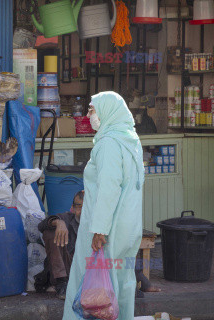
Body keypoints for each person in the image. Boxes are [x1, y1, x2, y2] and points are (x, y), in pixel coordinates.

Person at [62, 91, 145, 320]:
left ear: (108, 112)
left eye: (92, 110)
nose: (88, 115)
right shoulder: (130, 140)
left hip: (108, 227)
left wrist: (100, 229)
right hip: (128, 227)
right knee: (121, 280)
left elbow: (109, 188)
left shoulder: (108, 143)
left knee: (92, 282)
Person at [37, 191, 84, 299]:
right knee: (50, 233)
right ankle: (61, 284)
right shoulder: (67, 218)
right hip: (67, 270)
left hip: (88, 270)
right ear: (72, 208)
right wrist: (58, 222)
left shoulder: (98, 224)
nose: (83, 211)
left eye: (86, 207)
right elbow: (41, 226)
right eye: (79, 207)